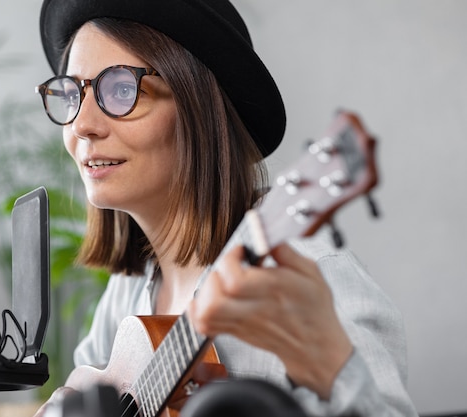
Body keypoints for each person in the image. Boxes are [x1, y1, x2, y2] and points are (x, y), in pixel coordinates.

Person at [33, 0, 418, 416]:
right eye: (72, 92)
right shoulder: (130, 285)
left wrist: (332, 362)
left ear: (198, 106)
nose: (82, 124)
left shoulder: (308, 276)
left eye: (123, 89)